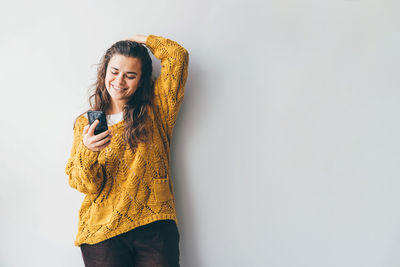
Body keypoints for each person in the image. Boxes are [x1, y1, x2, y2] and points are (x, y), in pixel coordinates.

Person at [65, 34, 189, 267]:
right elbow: (85, 184)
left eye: (130, 75)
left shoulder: (158, 109)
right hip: (103, 230)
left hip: (155, 225)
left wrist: (140, 39)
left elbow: (177, 56)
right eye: (114, 72)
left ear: (141, 80)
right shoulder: (86, 124)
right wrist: (89, 150)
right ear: (104, 72)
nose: (119, 81)